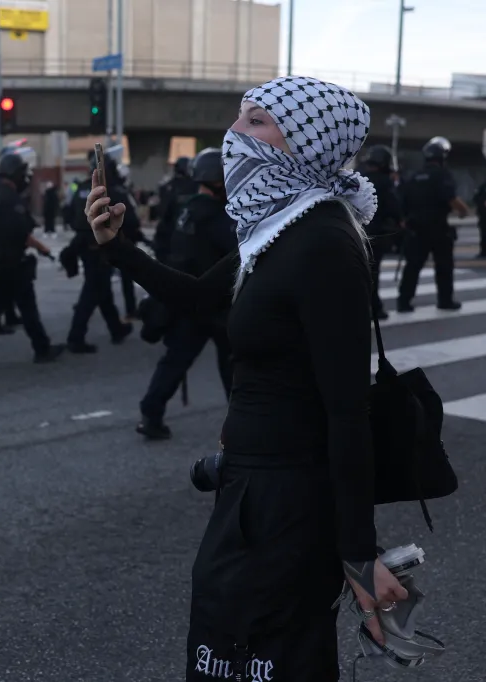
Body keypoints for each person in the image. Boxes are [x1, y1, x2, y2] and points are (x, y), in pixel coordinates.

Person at [88, 76, 409, 679]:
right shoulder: (278, 224)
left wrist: (359, 555)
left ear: (308, 142)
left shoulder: (324, 242)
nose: (235, 133)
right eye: (240, 118)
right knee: (223, 641)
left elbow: (346, 410)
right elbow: (201, 295)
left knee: (272, 653)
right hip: (249, 484)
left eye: (257, 121)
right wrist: (118, 247)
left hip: (289, 496)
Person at [137, 147, 235, 440]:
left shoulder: (186, 210)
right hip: (216, 304)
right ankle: (244, 422)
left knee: (175, 361)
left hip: (186, 300)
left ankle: (150, 414)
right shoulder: (219, 218)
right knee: (234, 366)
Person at [0, 150, 64, 368]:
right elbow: (22, 232)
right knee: (26, 306)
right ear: (14, 174)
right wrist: (44, 249)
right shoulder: (11, 199)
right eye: (22, 174)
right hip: (10, 262)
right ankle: (42, 349)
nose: (24, 178)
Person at [64, 150, 135, 353]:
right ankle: (75, 337)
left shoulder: (82, 188)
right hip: (102, 247)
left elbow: (68, 213)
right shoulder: (111, 191)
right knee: (92, 291)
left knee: (101, 290)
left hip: (84, 245)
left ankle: (116, 329)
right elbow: (131, 221)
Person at [396, 136, 470, 313]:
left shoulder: (413, 177)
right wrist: (463, 211)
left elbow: (402, 203)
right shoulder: (441, 174)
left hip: (415, 228)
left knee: (412, 266)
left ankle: (404, 302)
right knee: (444, 266)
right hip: (437, 227)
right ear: (442, 157)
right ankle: (445, 301)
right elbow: (451, 198)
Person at [357, 145, 403, 320]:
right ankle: (375, 308)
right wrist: (400, 221)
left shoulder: (359, 178)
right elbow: (393, 206)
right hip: (374, 233)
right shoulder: (384, 181)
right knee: (372, 273)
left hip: (354, 232)